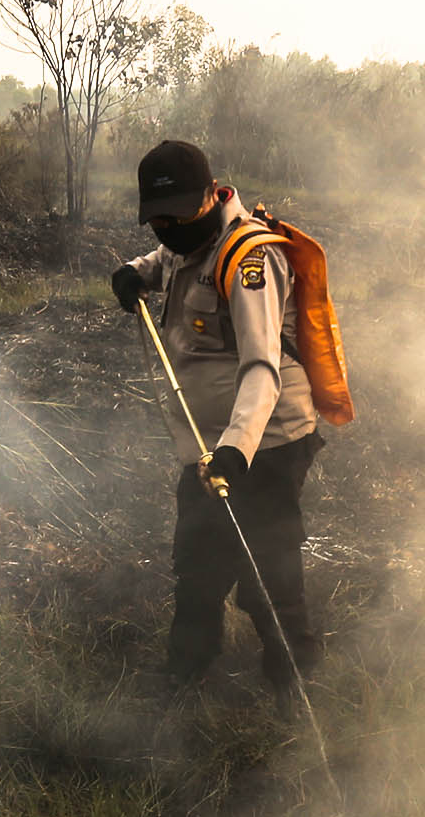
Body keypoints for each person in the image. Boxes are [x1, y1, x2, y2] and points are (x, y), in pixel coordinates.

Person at [111, 139, 324, 699]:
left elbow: (262, 368)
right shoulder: (188, 238)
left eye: (178, 215)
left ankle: (295, 686)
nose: (167, 228)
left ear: (211, 194)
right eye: (156, 219)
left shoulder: (252, 260)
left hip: (267, 441)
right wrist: (136, 271)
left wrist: (236, 449)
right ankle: (186, 671)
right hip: (207, 445)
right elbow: (172, 259)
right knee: (197, 561)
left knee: (267, 570)